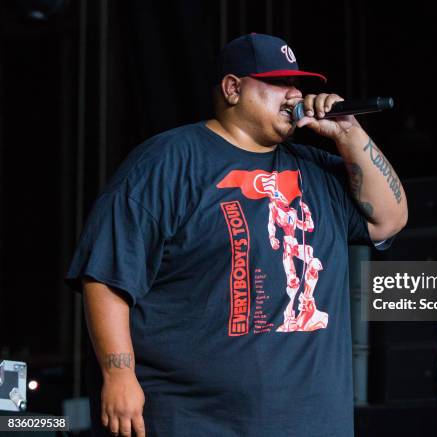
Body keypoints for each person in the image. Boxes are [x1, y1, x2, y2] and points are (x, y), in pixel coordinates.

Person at [66, 33, 407, 437]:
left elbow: (389, 219)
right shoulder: (169, 162)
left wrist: (350, 133)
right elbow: (106, 275)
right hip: (198, 421)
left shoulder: (316, 169)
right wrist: (118, 376)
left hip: (314, 422)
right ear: (232, 88)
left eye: (297, 84)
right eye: (278, 82)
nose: (293, 93)